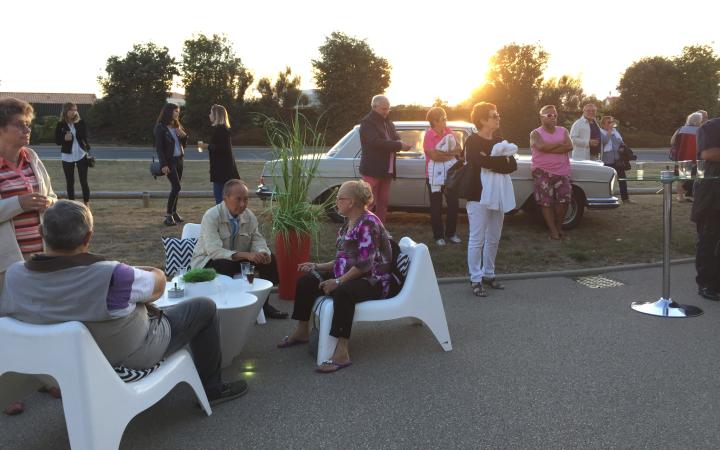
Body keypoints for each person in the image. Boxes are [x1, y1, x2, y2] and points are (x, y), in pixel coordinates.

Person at [0, 200, 248, 406]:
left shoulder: (15, 275)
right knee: (203, 306)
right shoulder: (113, 276)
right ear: (88, 236)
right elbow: (158, 284)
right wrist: (139, 269)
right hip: (128, 359)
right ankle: (213, 388)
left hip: (59, 367)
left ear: (42, 233)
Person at [276, 180, 398, 372]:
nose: (337, 201)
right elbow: (342, 260)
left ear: (352, 202)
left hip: (373, 280)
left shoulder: (368, 223)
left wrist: (338, 281)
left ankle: (342, 352)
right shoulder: (348, 223)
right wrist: (316, 266)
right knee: (307, 281)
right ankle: (302, 331)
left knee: (343, 292)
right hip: (352, 273)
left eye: (341, 198)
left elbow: (365, 265)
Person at [0, 97, 58, 416]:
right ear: (2, 128)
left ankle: (45, 378)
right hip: (6, 261)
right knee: (8, 326)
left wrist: (48, 202)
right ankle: (7, 390)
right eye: (20, 125)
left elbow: (49, 192)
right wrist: (19, 204)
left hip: (40, 255)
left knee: (40, 319)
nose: (27, 130)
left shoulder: (31, 157)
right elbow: (18, 204)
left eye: (28, 124)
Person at [190, 179, 288, 319]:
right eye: (238, 199)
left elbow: (257, 238)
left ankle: (264, 305)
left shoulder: (248, 215)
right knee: (226, 264)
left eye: (246, 199)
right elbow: (214, 251)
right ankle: (229, 307)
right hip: (208, 261)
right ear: (225, 198)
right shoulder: (212, 216)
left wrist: (262, 252)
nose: (243, 204)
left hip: (238, 259)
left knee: (269, 259)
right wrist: (247, 255)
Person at [464, 103, 517, 297]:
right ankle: (475, 278)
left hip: (498, 195)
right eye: (494, 115)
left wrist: (494, 160)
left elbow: (512, 166)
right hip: (478, 195)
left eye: (497, 114)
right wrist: (499, 160)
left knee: (494, 237)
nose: (498, 118)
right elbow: (481, 162)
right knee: (477, 238)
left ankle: (489, 274)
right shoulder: (473, 142)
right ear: (482, 120)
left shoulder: (500, 140)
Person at [358, 95, 412, 222]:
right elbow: (375, 142)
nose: (387, 112)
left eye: (388, 109)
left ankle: (380, 229)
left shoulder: (388, 122)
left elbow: (394, 136)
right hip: (372, 170)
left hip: (387, 170)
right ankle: (363, 230)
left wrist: (400, 141)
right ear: (374, 107)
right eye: (384, 109)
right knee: (368, 203)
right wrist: (399, 145)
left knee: (383, 202)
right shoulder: (367, 123)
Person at [530, 105, 574, 241]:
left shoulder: (563, 130)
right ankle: (553, 230)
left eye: (555, 115)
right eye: (549, 115)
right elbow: (541, 146)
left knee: (565, 199)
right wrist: (560, 145)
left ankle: (559, 226)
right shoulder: (535, 133)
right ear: (541, 117)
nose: (553, 118)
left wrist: (548, 148)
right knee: (546, 202)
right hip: (542, 171)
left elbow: (570, 146)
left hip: (562, 171)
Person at [422, 107, 462, 246]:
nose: (446, 121)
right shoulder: (428, 135)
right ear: (435, 121)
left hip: (450, 175)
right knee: (436, 207)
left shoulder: (448, 131)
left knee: (453, 204)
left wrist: (444, 154)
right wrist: (450, 155)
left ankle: (451, 233)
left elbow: (458, 149)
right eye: (443, 118)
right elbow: (433, 156)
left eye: (446, 118)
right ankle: (438, 236)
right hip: (433, 177)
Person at [692, 116, 720, 301]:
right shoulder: (711, 127)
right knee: (709, 239)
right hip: (713, 193)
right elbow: (708, 153)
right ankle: (707, 283)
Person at [198, 105, 240, 204]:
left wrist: (207, 146)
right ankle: (227, 218)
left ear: (216, 115)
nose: (209, 115)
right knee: (225, 199)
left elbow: (222, 148)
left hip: (222, 172)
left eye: (211, 113)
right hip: (224, 171)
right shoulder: (223, 129)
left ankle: (225, 219)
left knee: (221, 200)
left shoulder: (220, 130)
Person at [154, 103, 187, 226]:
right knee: (176, 186)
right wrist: (164, 164)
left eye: (178, 111)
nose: (178, 113)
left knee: (176, 188)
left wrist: (184, 136)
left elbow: (183, 144)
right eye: (176, 111)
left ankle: (174, 213)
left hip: (179, 160)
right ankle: (168, 215)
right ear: (169, 112)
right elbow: (159, 148)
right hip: (169, 162)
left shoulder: (176, 125)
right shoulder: (160, 128)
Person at [54, 102, 91, 205]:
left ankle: (86, 204)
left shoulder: (80, 122)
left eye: (75, 109)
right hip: (67, 156)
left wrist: (77, 128)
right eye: (72, 110)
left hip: (81, 154)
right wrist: (64, 138)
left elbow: (85, 136)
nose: (74, 112)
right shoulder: (60, 124)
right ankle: (72, 204)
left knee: (84, 181)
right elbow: (57, 141)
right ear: (66, 111)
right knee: (70, 182)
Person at [599, 115, 634, 204]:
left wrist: (622, 147)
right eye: (609, 122)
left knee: (623, 179)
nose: (611, 124)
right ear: (603, 124)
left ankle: (625, 199)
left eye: (612, 122)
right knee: (607, 181)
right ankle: (605, 199)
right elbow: (603, 142)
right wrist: (609, 133)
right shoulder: (601, 132)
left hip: (618, 160)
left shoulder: (616, 132)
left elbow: (621, 142)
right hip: (607, 161)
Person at [670, 112, 703, 202]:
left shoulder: (680, 129)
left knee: (681, 178)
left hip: (681, 157)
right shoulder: (700, 130)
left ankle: (680, 197)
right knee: (697, 178)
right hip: (695, 158)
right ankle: (695, 196)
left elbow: (672, 142)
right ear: (698, 121)